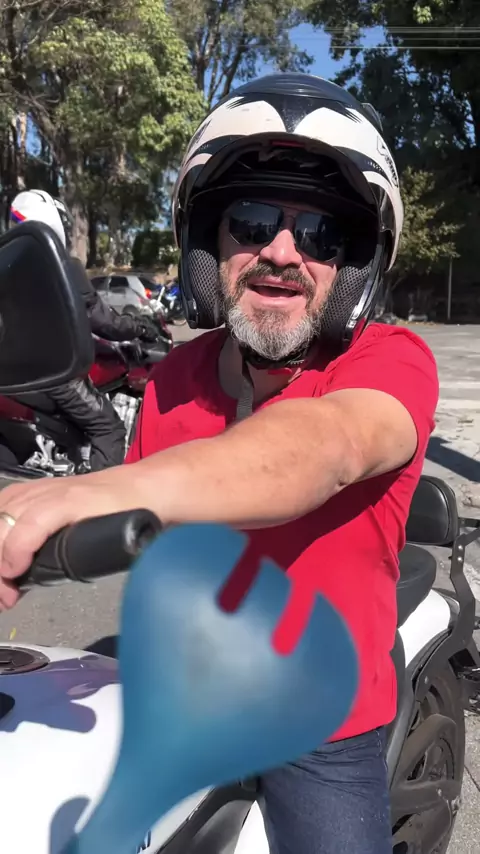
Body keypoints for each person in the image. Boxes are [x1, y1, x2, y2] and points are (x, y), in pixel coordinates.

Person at [0, 75, 439, 853]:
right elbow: (142, 530)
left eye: (321, 234)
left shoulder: (391, 362)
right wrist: (27, 545)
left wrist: (95, 490)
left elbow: (323, 447)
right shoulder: (175, 375)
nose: (281, 252)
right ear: (209, 242)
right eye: (254, 222)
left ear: (356, 265)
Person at [8, 190, 159, 470]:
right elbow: (106, 323)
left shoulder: (10, 267)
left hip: (16, 375)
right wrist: (141, 326)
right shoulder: (60, 266)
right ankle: (102, 495)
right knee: (110, 429)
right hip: (54, 374)